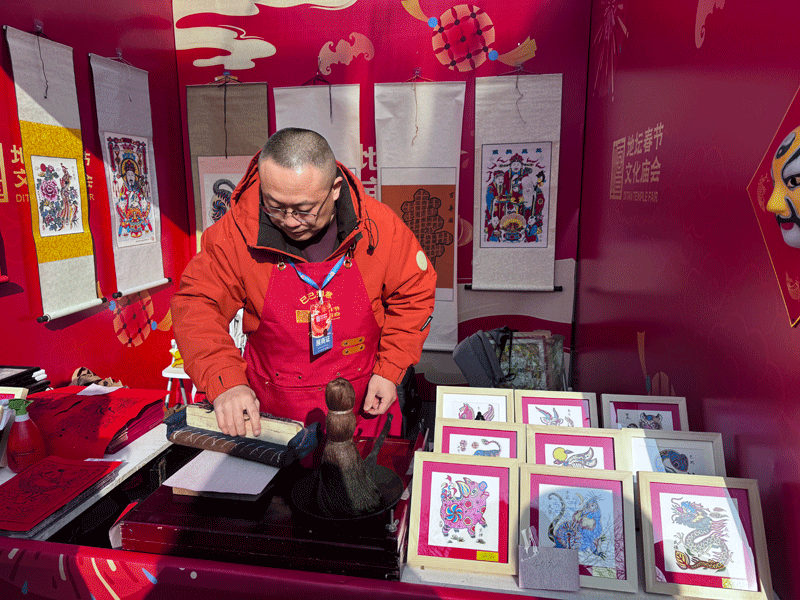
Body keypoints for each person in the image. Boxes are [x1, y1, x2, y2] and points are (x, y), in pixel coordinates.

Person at [171, 128, 437, 439]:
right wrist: (225, 381)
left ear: (335, 189)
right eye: (274, 206)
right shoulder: (237, 232)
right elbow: (197, 305)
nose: (289, 220)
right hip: (272, 416)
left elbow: (414, 294)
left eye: (304, 210)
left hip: (363, 402)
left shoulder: (378, 228)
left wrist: (390, 370)